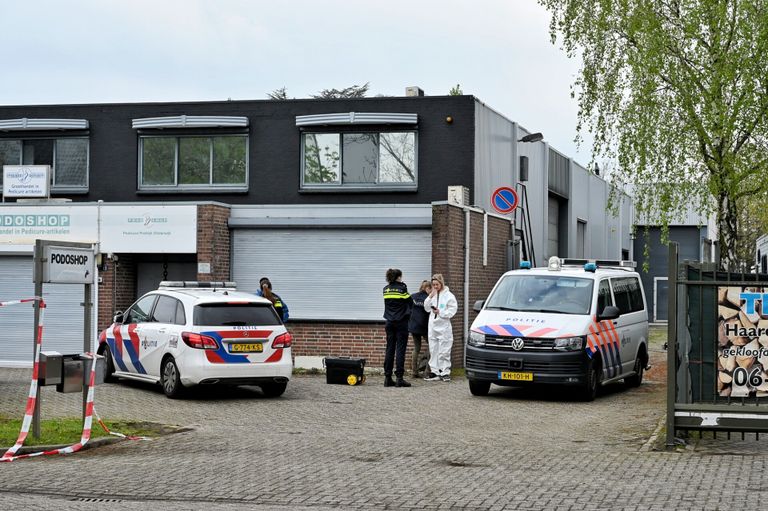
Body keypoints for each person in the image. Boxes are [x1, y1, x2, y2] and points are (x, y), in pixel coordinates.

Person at [423, 273, 457, 382]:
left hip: (444, 327)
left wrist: (440, 312)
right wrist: (430, 296)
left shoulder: (449, 296)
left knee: (444, 350)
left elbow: (452, 311)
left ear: (441, 283)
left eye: (437, 284)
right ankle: (435, 372)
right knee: (433, 350)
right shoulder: (433, 295)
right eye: (433, 285)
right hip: (433, 326)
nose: (435, 287)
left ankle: (445, 372)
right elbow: (426, 308)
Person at [382, 268, 411, 388]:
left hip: (389, 322)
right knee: (400, 350)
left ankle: (387, 378)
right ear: (398, 277)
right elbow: (410, 302)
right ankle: (399, 378)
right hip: (401, 323)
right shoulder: (402, 289)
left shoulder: (385, 289)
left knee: (389, 349)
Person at [408, 280, 431, 378]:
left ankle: (414, 372)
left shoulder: (412, 296)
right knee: (432, 346)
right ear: (427, 288)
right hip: (424, 326)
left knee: (417, 348)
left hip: (413, 326)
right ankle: (427, 371)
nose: (431, 291)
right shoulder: (428, 299)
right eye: (431, 289)